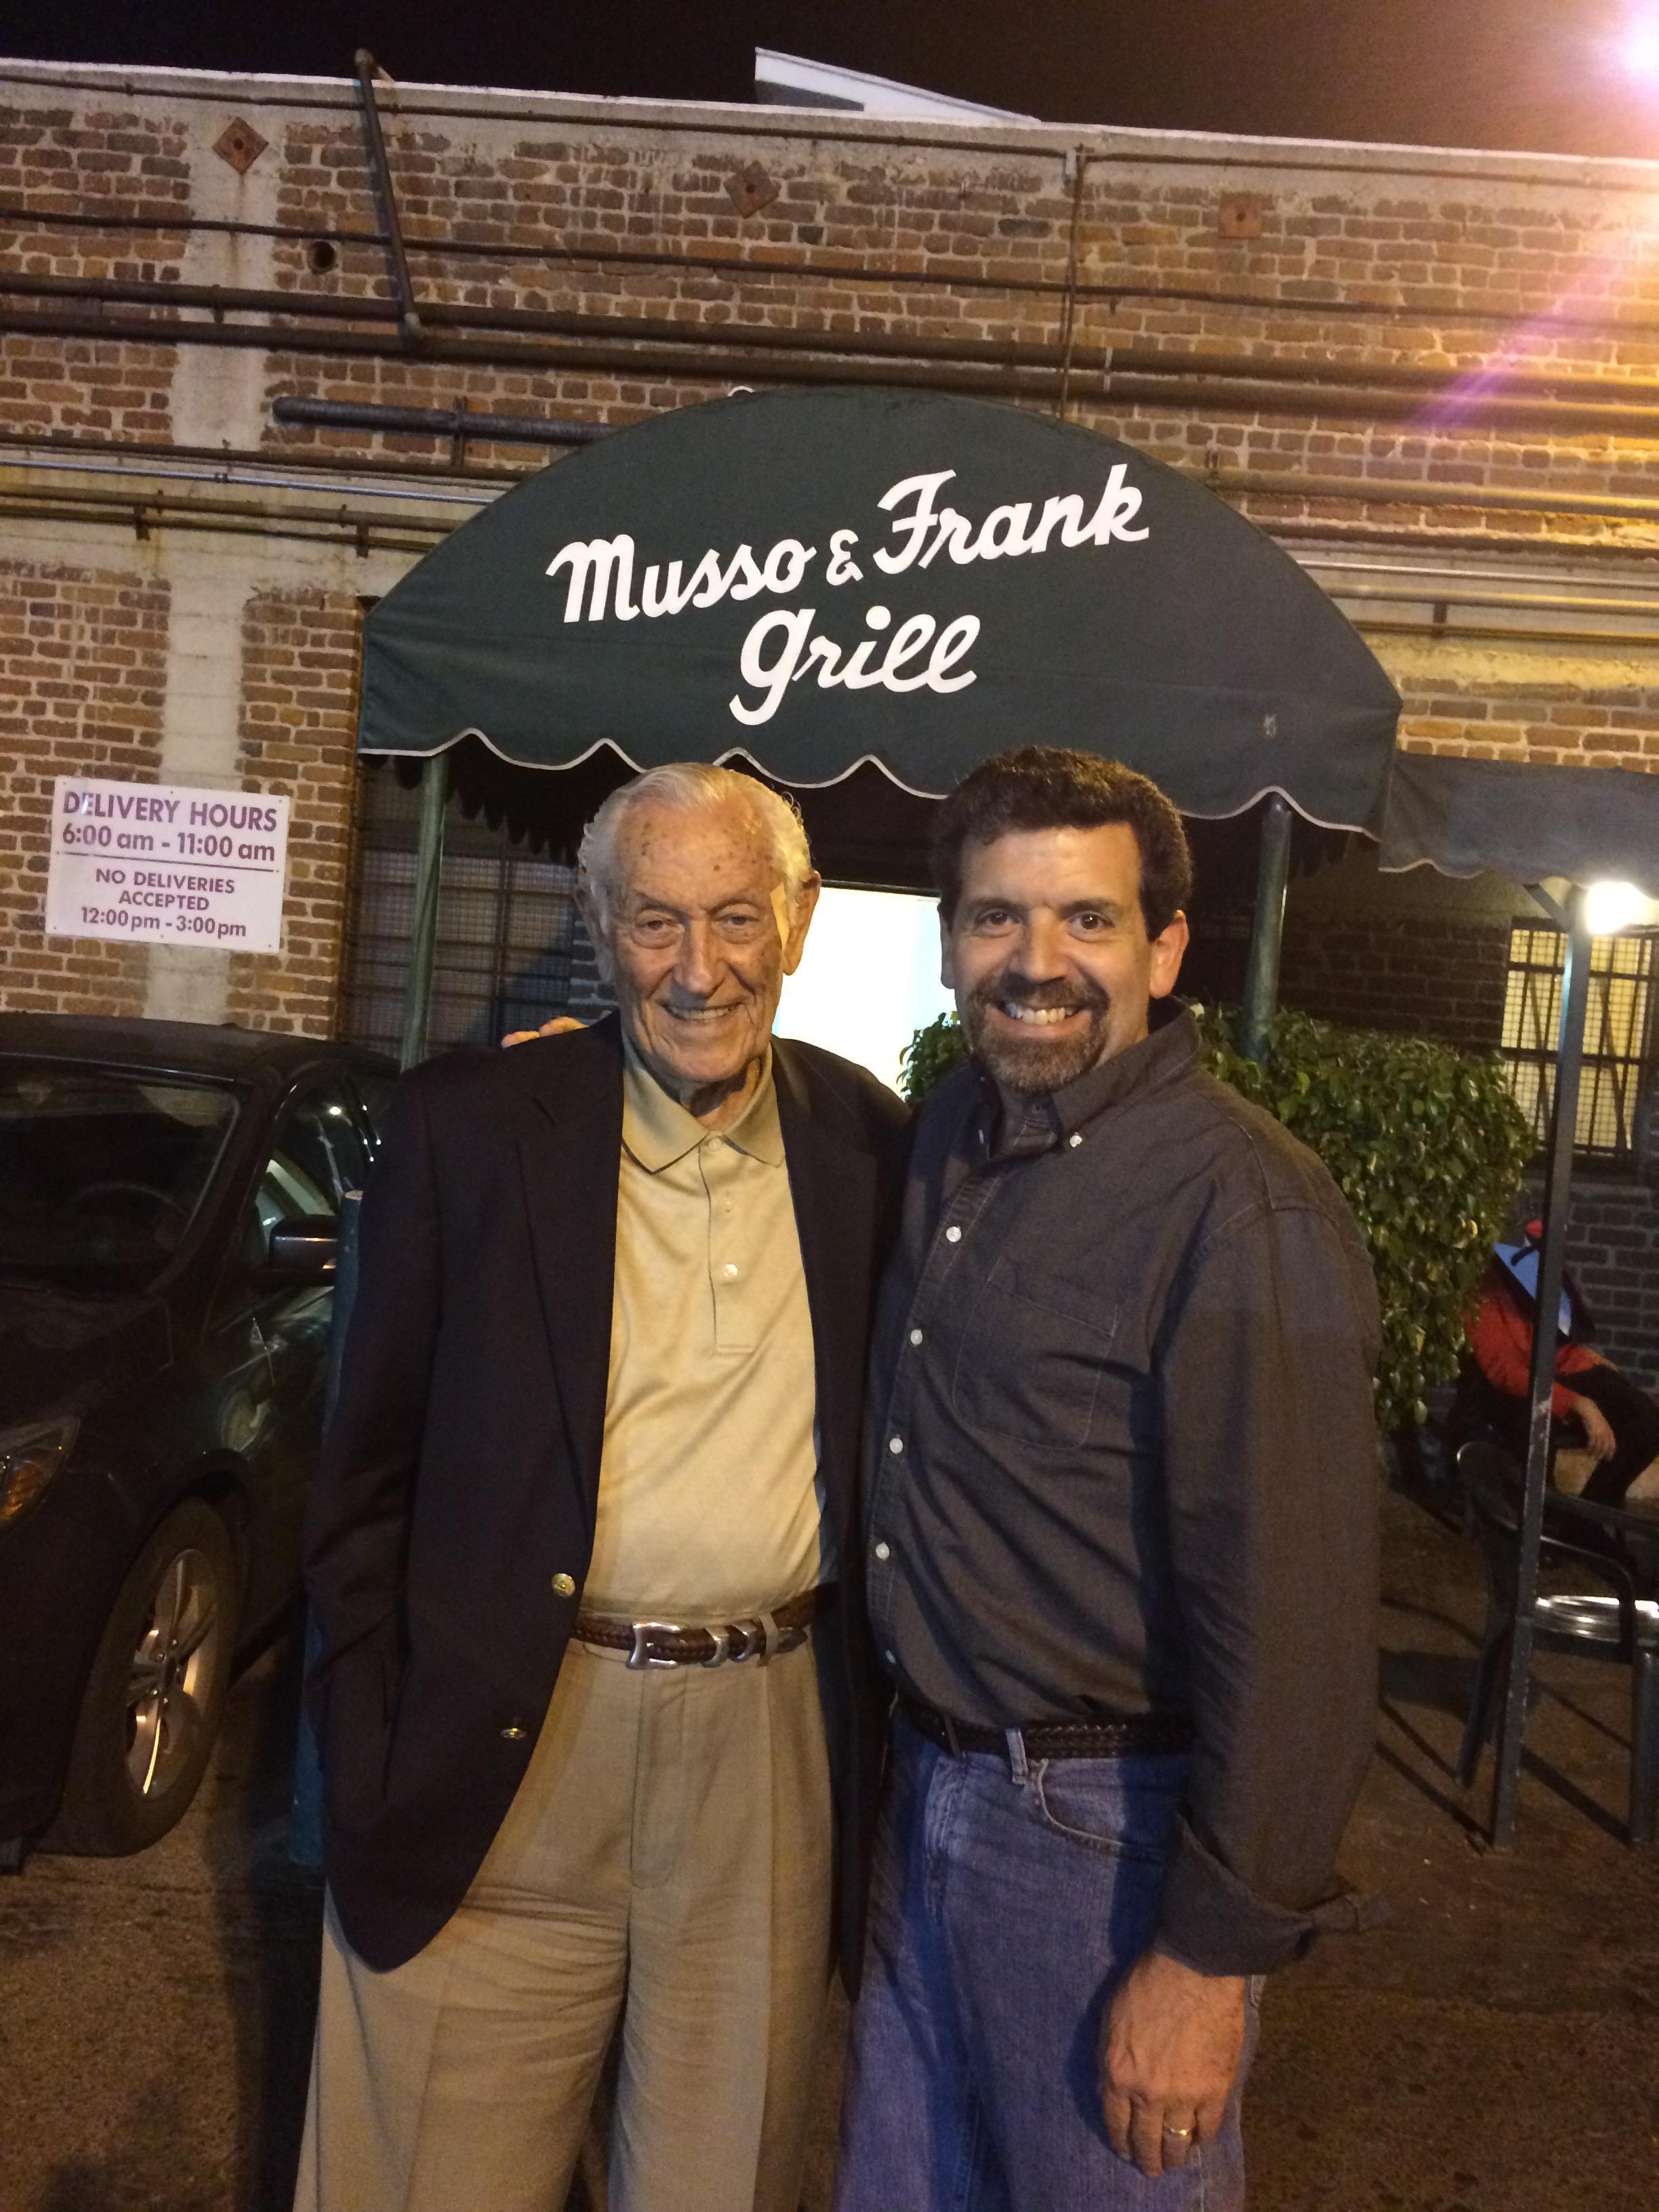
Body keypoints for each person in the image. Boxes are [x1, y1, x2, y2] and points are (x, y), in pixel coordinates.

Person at [295, 762, 909, 2212]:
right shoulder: (471, 1127)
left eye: (737, 917)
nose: (699, 969)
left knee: (719, 2182)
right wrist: (366, 1747)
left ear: (802, 920)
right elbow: (358, 1473)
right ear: (599, 924)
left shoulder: (870, 1146)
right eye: (654, 922)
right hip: (501, 1743)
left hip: (767, 1761)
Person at [836, 747, 1381, 2212]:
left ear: (1166, 946)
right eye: (996, 917)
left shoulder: (1241, 1203)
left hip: (1100, 1843)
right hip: (926, 1792)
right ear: (951, 939)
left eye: (1085, 919)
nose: (1036, 962)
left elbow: (1304, 1621)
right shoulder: (956, 1131)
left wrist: (1209, 1959)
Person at [1468, 1227, 1659, 1508]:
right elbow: (1507, 1373)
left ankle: (1591, 1515)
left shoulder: (1546, 1279)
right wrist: (1580, 1405)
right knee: (1533, 1431)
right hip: (1524, 1387)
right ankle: (1544, 1521)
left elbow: (1562, 1337)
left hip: (1567, 1371)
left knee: (1646, 1421)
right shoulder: (1488, 1295)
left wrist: (1587, 1358)